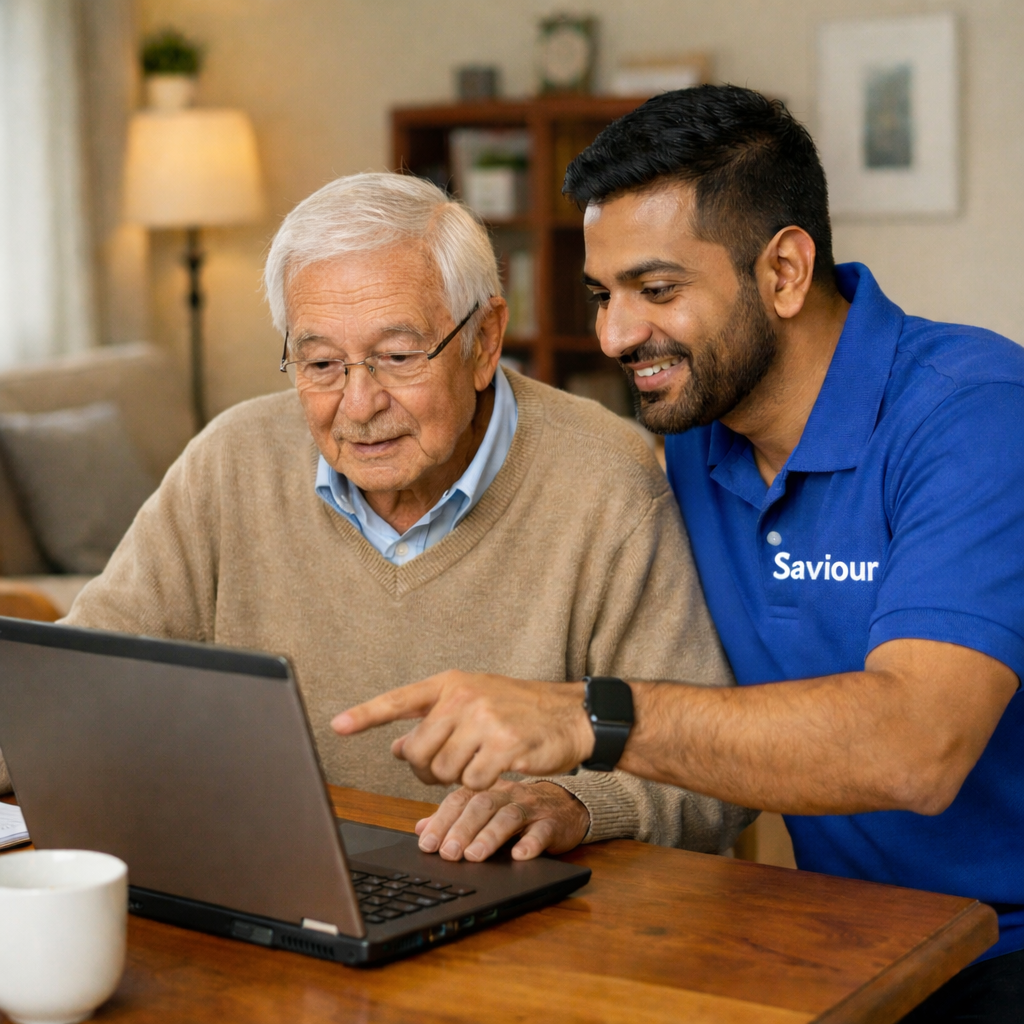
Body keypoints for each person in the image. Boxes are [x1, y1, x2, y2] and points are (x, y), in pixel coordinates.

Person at [334, 90, 1023, 1021]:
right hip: (856, 935)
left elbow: (917, 750)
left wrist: (586, 717)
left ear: (783, 270)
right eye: (601, 296)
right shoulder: (700, 431)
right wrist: (567, 799)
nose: (616, 336)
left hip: (1003, 946)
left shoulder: (976, 414)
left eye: (657, 291)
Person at [0, 171, 755, 863]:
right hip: (276, 882)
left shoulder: (608, 481)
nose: (358, 406)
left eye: (398, 357)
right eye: (321, 364)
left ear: (484, 340)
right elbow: (72, 683)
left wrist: (574, 800)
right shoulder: (230, 461)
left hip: (524, 922)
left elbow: (713, 775)